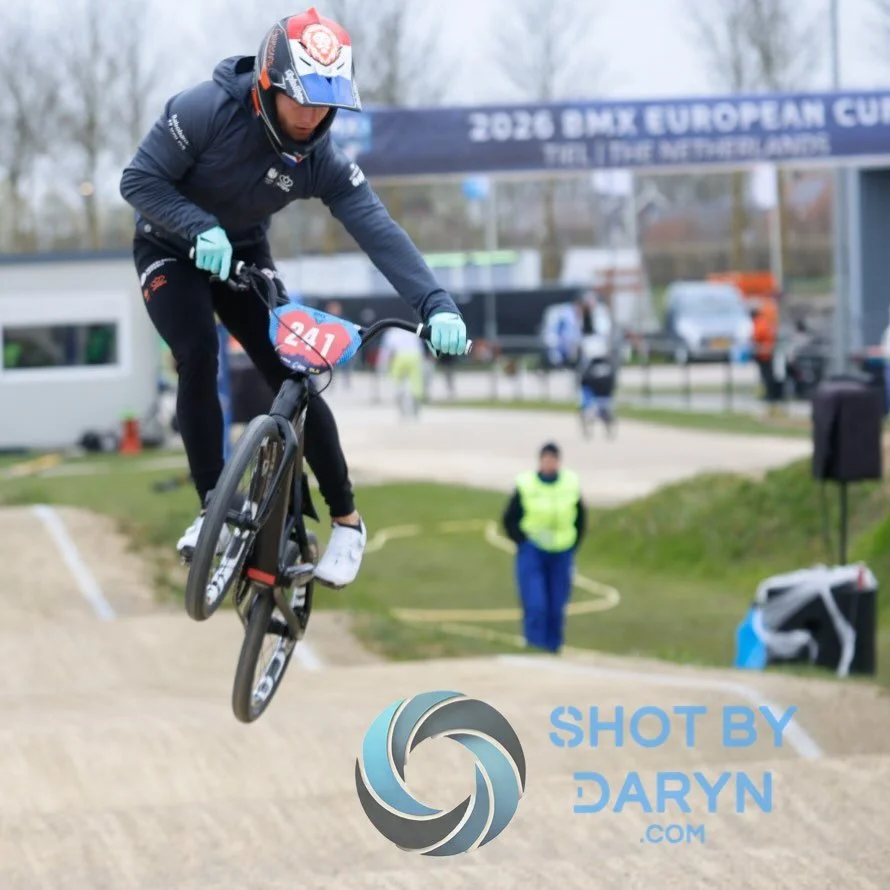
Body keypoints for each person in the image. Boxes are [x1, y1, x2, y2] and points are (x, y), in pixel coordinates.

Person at [118, 8, 467, 589]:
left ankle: (348, 522)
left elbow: (379, 230)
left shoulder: (319, 160)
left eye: (325, 104)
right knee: (198, 353)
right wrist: (197, 225)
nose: (310, 118)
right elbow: (137, 181)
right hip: (169, 246)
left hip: (245, 252)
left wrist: (436, 303)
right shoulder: (202, 111)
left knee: (297, 368)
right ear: (267, 85)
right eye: (299, 100)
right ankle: (213, 513)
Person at [501, 443, 586, 653]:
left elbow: (580, 517)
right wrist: (521, 540)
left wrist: (573, 542)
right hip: (533, 551)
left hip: (562, 552)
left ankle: (553, 648)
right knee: (536, 603)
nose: (549, 464)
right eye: (546, 459)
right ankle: (535, 647)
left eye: (553, 459)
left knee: (557, 606)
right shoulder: (526, 484)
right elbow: (509, 518)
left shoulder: (570, 483)